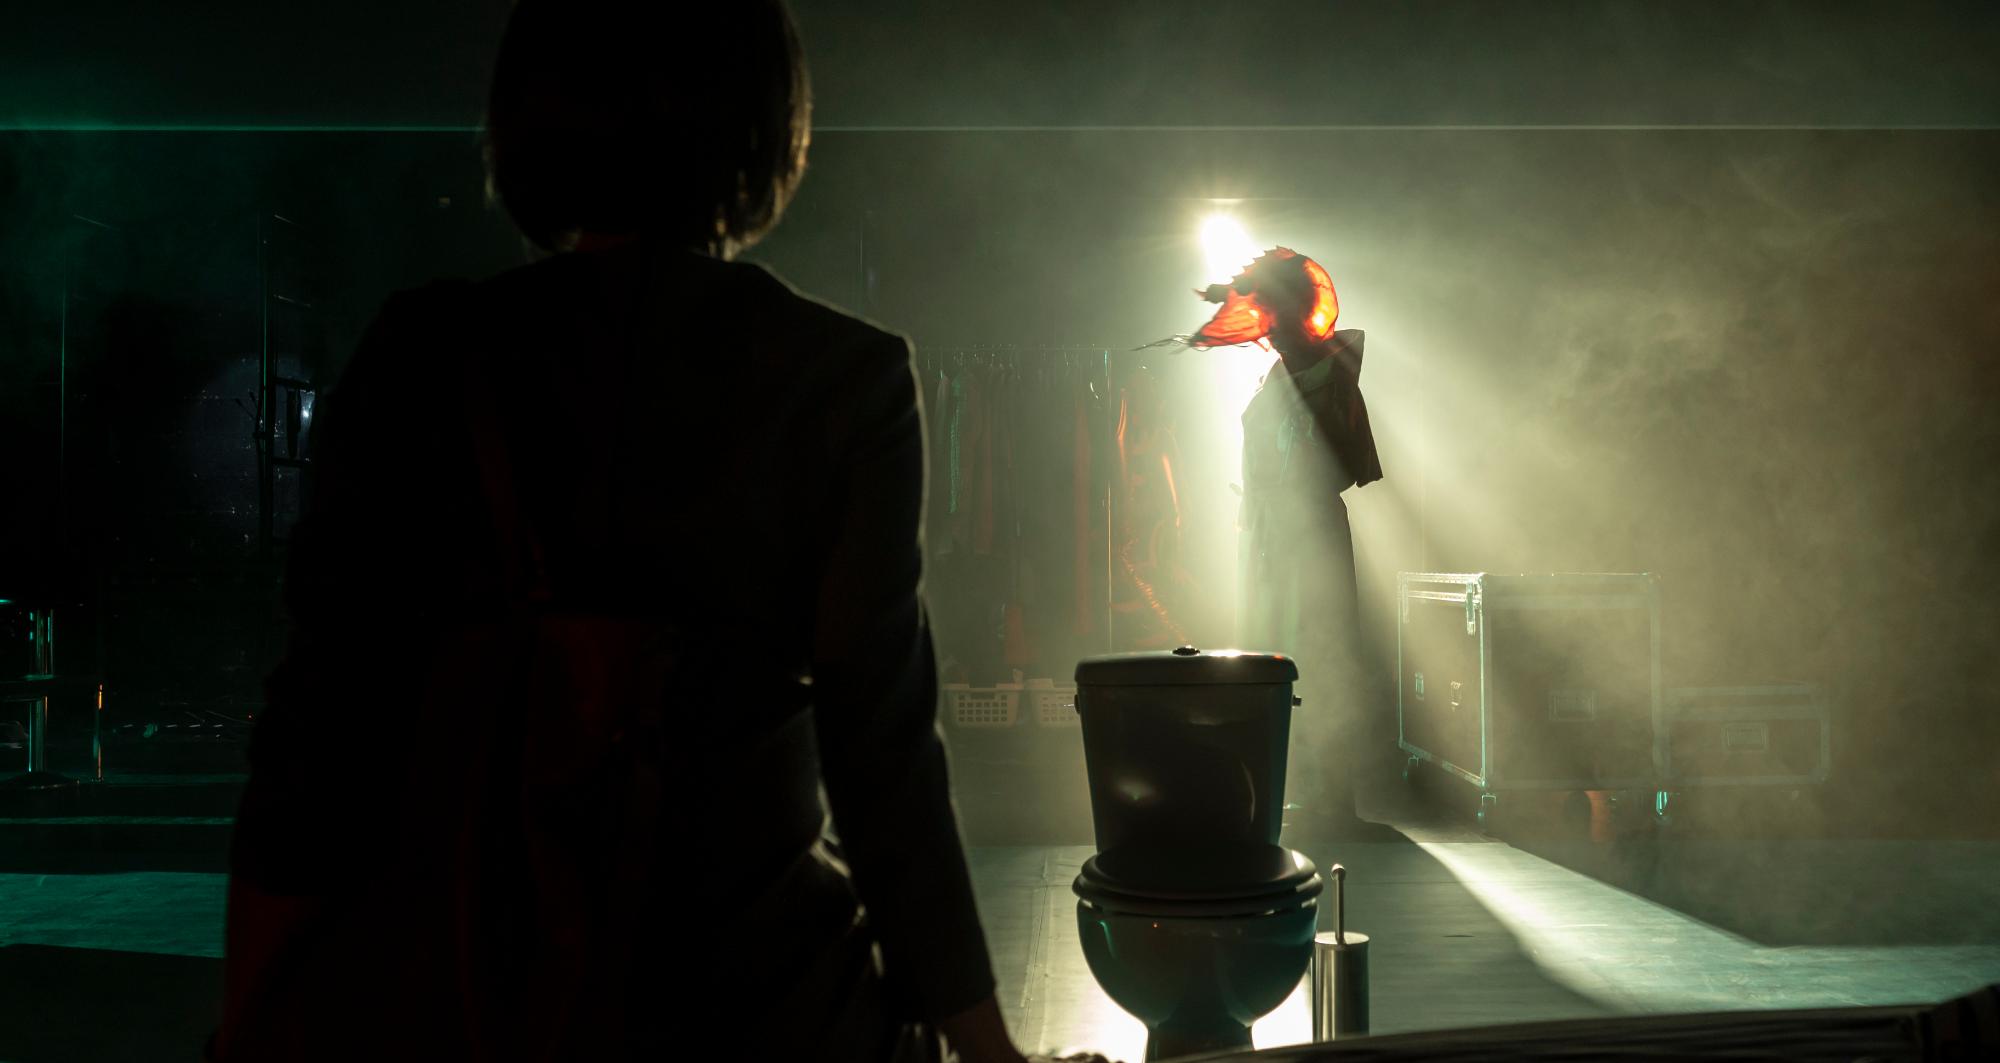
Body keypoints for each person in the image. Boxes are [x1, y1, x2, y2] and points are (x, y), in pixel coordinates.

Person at [217, 3, 1088, 1060]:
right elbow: (881, 756)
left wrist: (248, 1007)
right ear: (763, 124)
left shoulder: (423, 355)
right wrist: (985, 1043)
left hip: (470, 991)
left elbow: (321, 726)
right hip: (764, 999)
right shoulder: (841, 378)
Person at [1180, 248, 1385, 836]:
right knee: (1279, 652)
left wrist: (1285, 490)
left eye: (1269, 310)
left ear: (1293, 311)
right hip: (1276, 532)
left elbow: (1335, 462)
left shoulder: (1328, 372)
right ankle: (1297, 788)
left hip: (1309, 533)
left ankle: (1333, 799)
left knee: (1320, 653)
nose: (1262, 326)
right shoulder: (1287, 373)